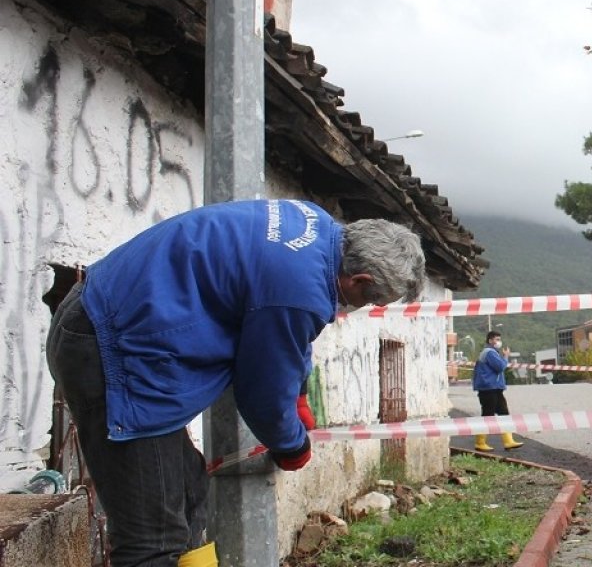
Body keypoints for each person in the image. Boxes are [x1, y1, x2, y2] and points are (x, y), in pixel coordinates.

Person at [45, 199, 426, 567]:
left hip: (115, 323)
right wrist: (291, 444)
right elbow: (262, 392)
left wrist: (299, 393)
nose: (364, 307)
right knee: (153, 537)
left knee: (189, 491)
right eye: (371, 300)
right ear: (359, 280)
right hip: (112, 349)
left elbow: (287, 334)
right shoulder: (299, 289)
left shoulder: (316, 228)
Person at [470, 330, 523, 452]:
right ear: (490, 340)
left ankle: (508, 441)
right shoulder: (489, 353)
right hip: (489, 389)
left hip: (494, 388)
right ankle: (480, 442)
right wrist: (505, 356)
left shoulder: (491, 352)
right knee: (488, 415)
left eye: (500, 339)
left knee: (503, 413)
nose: (499, 341)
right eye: (497, 339)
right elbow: (500, 367)